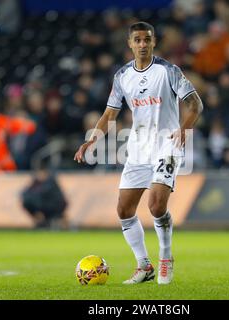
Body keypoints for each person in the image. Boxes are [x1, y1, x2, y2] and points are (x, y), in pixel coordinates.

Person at [74, 22, 203, 285]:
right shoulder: (122, 76)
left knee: (156, 205)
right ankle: (144, 266)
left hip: (167, 144)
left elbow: (195, 104)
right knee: (124, 209)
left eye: (147, 40)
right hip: (138, 146)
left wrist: (183, 130)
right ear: (130, 44)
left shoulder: (168, 71)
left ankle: (165, 256)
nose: (143, 44)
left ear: (154, 42)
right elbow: (111, 113)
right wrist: (91, 140)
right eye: (138, 40)